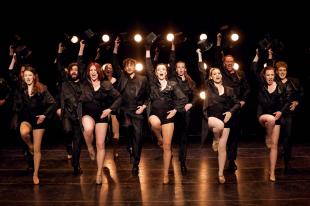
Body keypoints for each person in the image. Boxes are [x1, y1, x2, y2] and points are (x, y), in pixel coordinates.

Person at [145, 43, 188, 184]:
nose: (161, 71)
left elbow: (183, 98)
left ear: (166, 72)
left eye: (163, 69)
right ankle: (158, 137)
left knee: (167, 147)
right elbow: (149, 67)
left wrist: (175, 110)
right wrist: (147, 50)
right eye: (159, 69)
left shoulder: (173, 84)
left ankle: (165, 174)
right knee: (154, 123)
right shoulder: (153, 83)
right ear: (156, 73)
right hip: (155, 113)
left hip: (169, 117)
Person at [198, 53, 240, 184]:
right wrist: (200, 56)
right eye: (214, 74)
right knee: (219, 127)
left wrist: (230, 112)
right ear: (211, 77)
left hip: (226, 120)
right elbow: (201, 72)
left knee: (222, 148)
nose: (217, 75)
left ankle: (220, 173)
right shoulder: (209, 87)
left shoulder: (229, 90)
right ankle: (215, 138)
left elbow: (237, 103)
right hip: (211, 118)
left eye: (219, 73)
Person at [112, 37, 149, 176]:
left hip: (137, 111)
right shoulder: (121, 77)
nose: (129, 67)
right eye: (126, 65)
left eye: (131, 65)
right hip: (124, 110)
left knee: (138, 137)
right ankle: (129, 146)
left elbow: (148, 96)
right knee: (127, 129)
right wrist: (116, 47)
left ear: (135, 66)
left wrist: (144, 106)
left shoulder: (143, 79)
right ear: (124, 67)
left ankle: (135, 163)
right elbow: (114, 62)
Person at [13, 66, 56, 184]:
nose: (27, 77)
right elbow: (11, 74)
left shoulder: (42, 88)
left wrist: (44, 115)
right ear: (23, 77)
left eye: (30, 75)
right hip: (26, 119)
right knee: (23, 132)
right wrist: (13, 57)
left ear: (34, 76)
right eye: (25, 75)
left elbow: (52, 103)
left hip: (38, 120)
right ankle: (29, 145)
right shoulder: (21, 88)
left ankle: (35, 174)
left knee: (37, 150)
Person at [80, 62, 122, 184]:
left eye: (95, 70)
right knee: (87, 129)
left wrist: (110, 109)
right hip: (87, 114)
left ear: (99, 72)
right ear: (88, 72)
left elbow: (119, 97)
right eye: (91, 70)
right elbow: (80, 64)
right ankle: (89, 147)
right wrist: (81, 49)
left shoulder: (106, 84)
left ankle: (99, 173)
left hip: (101, 115)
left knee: (100, 144)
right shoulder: (85, 84)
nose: (93, 72)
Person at [252, 51, 290, 181]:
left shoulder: (280, 87)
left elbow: (287, 101)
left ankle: (272, 172)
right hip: (263, 115)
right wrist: (257, 56)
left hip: (276, 117)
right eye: (267, 75)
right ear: (264, 76)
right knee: (270, 119)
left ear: (275, 75)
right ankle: (267, 136)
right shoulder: (261, 85)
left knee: (274, 145)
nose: (270, 77)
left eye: (272, 75)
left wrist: (281, 112)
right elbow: (253, 69)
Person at [215, 33, 250, 172]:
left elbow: (247, 89)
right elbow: (217, 58)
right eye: (227, 61)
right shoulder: (221, 73)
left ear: (233, 62)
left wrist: (243, 100)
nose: (229, 63)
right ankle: (223, 158)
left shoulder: (240, 74)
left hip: (236, 109)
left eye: (231, 61)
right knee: (224, 135)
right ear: (224, 62)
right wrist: (218, 41)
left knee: (235, 135)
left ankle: (231, 160)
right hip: (223, 108)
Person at [168, 41, 198, 175]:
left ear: (185, 69)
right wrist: (173, 47)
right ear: (176, 69)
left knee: (183, 138)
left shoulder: (190, 81)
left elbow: (197, 95)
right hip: (173, 111)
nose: (180, 69)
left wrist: (191, 103)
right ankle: (168, 159)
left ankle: (183, 162)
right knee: (171, 137)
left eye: (182, 67)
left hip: (185, 112)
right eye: (178, 67)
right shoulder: (173, 79)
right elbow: (172, 60)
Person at [59, 41, 86, 175]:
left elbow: (80, 64)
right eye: (72, 70)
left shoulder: (83, 83)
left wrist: (81, 48)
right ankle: (67, 145)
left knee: (78, 141)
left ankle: (76, 165)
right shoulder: (65, 82)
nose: (74, 72)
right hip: (67, 115)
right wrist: (59, 51)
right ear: (69, 72)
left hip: (79, 115)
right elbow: (58, 66)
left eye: (76, 70)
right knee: (67, 131)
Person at [274, 60, 303, 172]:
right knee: (275, 138)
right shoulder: (274, 81)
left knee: (288, 136)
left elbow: (300, 93)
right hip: (277, 112)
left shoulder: (293, 82)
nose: (282, 72)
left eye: (284, 70)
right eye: (280, 70)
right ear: (277, 72)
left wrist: (296, 102)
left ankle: (287, 161)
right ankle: (274, 162)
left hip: (288, 113)